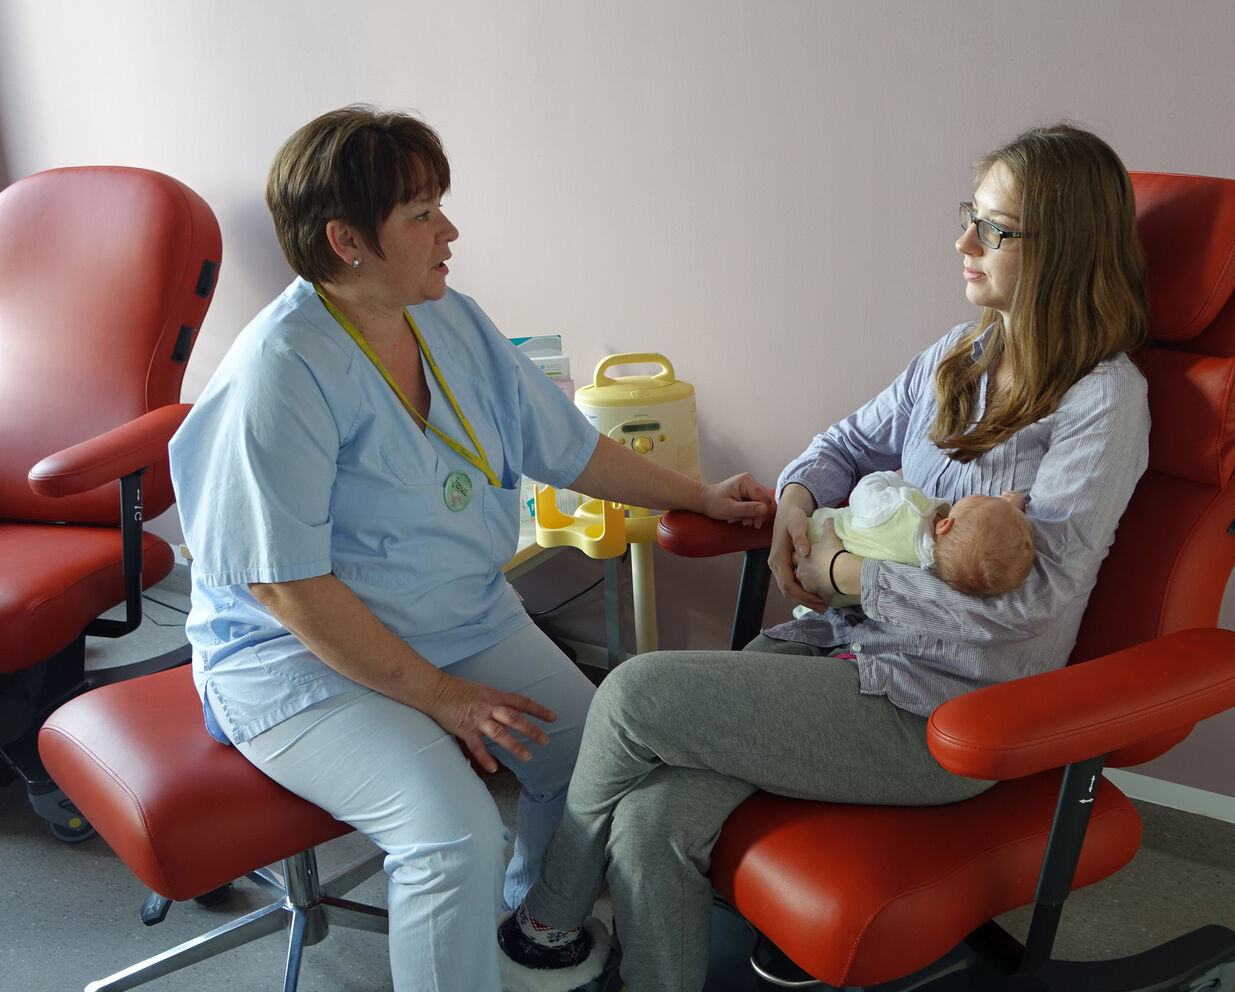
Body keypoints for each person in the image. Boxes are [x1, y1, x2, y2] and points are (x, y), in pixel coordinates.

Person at [496, 122, 1151, 992]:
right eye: (971, 216)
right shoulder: (957, 356)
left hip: (943, 712)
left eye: (994, 229)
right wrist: (798, 501)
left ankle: (544, 926)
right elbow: (842, 443)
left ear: (1063, 247)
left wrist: (844, 574)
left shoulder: (1101, 402)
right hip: (839, 655)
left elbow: (1027, 607)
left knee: (633, 693)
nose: (963, 243)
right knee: (652, 819)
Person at [167, 105, 772, 992]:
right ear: (347, 242)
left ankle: (532, 922)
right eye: (420, 213)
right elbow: (287, 591)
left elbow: (564, 444)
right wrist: (442, 698)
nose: (448, 230)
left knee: (595, 757)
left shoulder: (446, 320)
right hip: (298, 661)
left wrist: (699, 494)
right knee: (451, 834)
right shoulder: (280, 374)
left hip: (450, 615)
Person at [806, 471, 1034, 607]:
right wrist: (1009, 510)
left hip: (814, 535)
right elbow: (988, 546)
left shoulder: (905, 511)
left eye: (984, 497)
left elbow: (863, 493)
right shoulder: (935, 574)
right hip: (832, 598)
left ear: (945, 524)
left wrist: (889, 478)